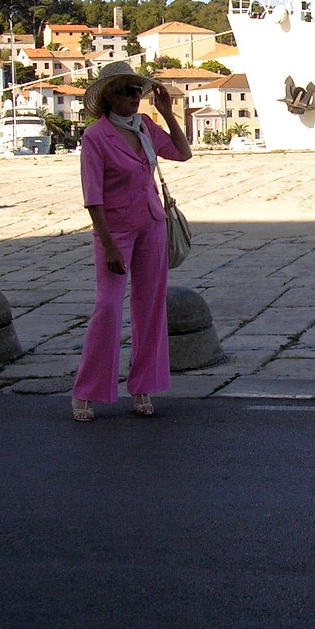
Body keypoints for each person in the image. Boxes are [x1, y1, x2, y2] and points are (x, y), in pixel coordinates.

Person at [71, 61, 192, 421]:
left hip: (152, 223)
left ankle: (143, 386)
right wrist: (108, 245)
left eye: (137, 90)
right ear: (109, 96)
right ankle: (88, 391)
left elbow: (183, 153)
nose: (135, 97)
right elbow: (93, 197)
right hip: (116, 230)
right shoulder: (96, 136)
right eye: (127, 91)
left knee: (151, 306)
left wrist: (169, 115)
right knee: (108, 306)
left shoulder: (145, 127)